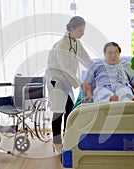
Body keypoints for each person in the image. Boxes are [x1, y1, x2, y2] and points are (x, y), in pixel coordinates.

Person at [45, 16, 93, 153]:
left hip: (66, 80)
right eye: (80, 31)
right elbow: (65, 69)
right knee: (58, 111)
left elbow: (87, 60)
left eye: (83, 31)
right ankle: (56, 142)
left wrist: (97, 69)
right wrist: (81, 83)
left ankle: (67, 136)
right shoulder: (62, 45)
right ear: (71, 29)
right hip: (56, 80)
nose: (82, 34)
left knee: (70, 109)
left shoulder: (76, 43)